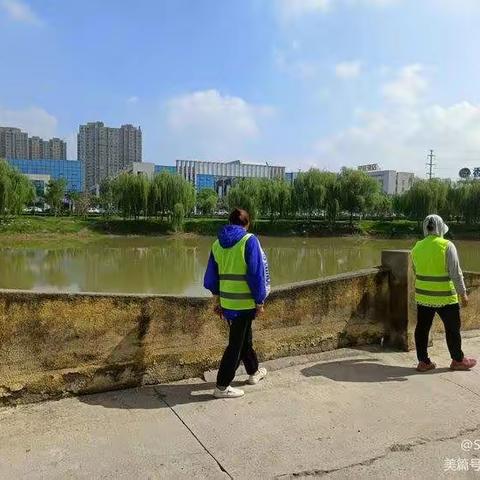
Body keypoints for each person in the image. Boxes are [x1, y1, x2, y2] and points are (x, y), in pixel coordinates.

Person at [204, 208, 270, 398]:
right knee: (236, 345)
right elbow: (257, 274)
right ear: (246, 224)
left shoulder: (217, 243)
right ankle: (222, 386)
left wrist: (216, 301)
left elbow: (211, 277)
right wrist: (260, 302)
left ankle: (254, 372)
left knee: (244, 339)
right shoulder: (249, 240)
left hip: (227, 303)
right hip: (245, 304)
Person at [411, 214, 476, 372]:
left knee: (422, 329)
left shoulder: (416, 247)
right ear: (440, 228)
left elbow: (415, 270)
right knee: (452, 329)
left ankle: (423, 362)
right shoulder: (447, 245)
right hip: (445, 297)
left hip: (423, 297)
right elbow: (456, 273)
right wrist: (463, 293)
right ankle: (457, 360)